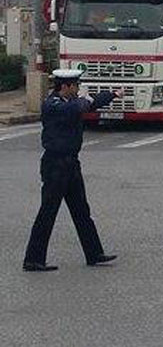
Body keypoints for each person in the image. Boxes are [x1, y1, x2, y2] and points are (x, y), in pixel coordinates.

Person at [23, 70, 123, 272]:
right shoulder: (53, 105)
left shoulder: (71, 102)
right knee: (48, 212)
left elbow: (90, 104)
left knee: (81, 211)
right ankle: (33, 259)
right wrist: (85, 99)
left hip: (71, 164)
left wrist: (112, 94)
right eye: (75, 86)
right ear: (65, 86)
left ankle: (94, 253)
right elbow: (78, 108)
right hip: (55, 165)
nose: (77, 89)